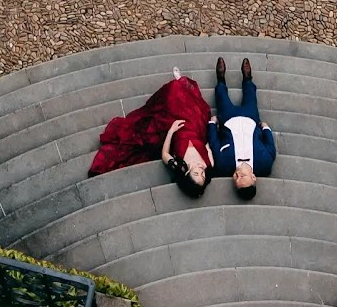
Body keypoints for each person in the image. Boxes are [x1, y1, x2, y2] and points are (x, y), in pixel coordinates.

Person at [89, 69, 213, 196]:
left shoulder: (179, 165)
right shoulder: (209, 164)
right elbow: (208, 144)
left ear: (187, 173)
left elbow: (164, 153)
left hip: (177, 128)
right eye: (202, 175)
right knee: (189, 103)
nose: (200, 171)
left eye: (196, 173)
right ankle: (182, 84)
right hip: (195, 127)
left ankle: (180, 84)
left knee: (173, 92)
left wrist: (171, 130)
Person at [208, 58, 276, 201]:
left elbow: (214, 144)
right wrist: (265, 128)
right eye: (243, 176)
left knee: (222, 98)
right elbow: (270, 147)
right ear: (253, 177)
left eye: (236, 178)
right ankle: (247, 78)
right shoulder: (264, 164)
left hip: (228, 120)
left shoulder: (223, 165)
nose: (237, 174)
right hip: (250, 120)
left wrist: (212, 124)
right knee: (251, 98)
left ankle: (221, 79)